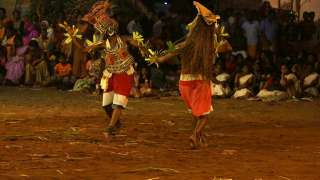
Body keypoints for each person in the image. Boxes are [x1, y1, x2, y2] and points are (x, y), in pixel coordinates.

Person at [155, 1, 224, 148]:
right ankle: (194, 135)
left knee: (196, 113)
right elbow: (225, 49)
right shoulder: (208, 46)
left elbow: (162, 59)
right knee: (204, 115)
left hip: (184, 83)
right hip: (199, 81)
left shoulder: (185, 44)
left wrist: (154, 57)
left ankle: (199, 138)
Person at [82, 1, 138, 138]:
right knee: (106, 105)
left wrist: (139, 45)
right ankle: (116, 123)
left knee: (118, 102)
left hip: (125, 72)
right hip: (112, 74)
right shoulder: (103, 42)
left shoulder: (122, 39)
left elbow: (132, 40)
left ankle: (111, 127)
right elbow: (86, 48)